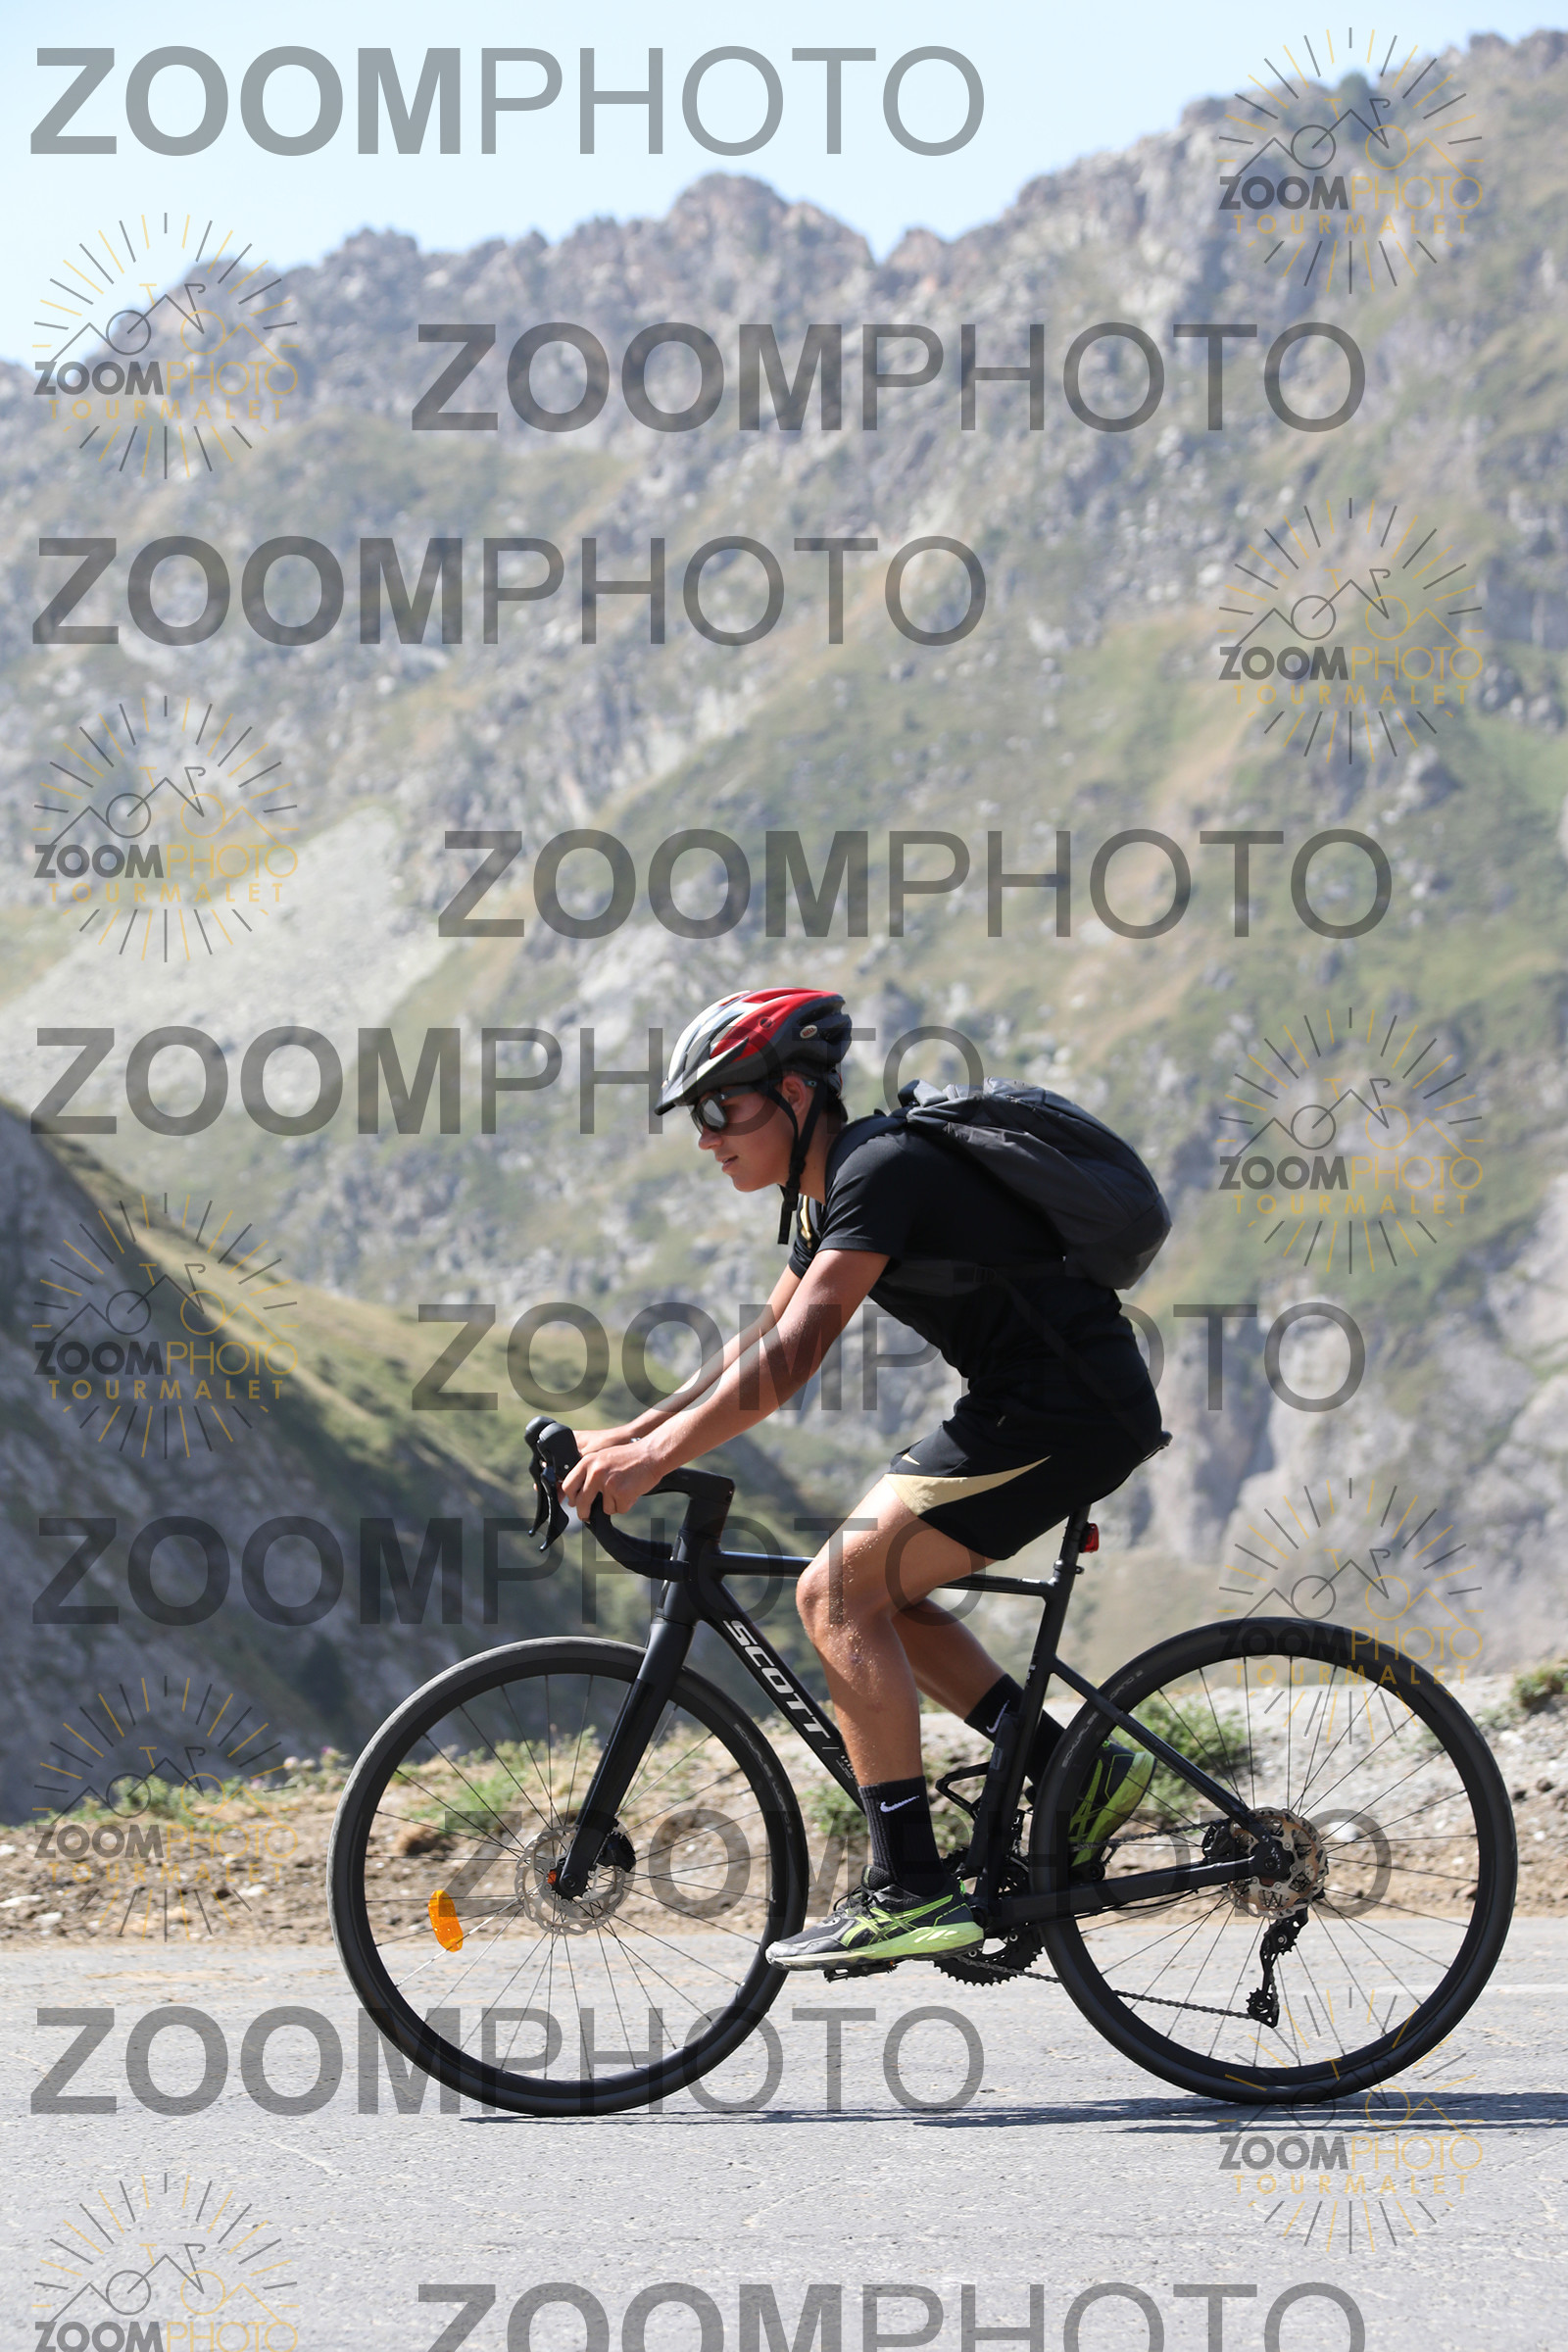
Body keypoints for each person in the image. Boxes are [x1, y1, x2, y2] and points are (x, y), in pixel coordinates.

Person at [563, 987, 1163, 1971]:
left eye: (721, 1107)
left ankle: (909, 1888)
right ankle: (1073, 1769)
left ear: (795, 1094)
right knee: (879, 1595)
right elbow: (759, 1335)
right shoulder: (831, 1188)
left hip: (1063, 1412)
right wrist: (629, 1435)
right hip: (1036, 1406)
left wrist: (655, 1461)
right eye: (698, 1116)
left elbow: (797, 1354)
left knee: (835, 1594)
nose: (706, 1136)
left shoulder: (881, 1169)